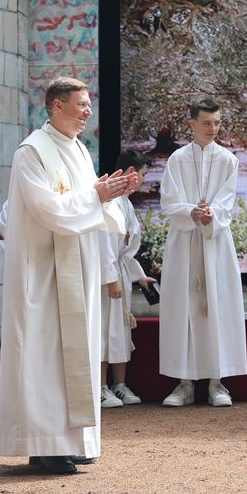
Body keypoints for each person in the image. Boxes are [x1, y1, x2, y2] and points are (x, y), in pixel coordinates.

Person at [0, 77, 140, 475]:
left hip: (75, 268)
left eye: (89, 104)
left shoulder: (77, 149)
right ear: (56, 106)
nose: (88, 111)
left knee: (74, 358)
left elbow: (89, 203)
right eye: (81, 104)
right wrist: (96, 195)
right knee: (44, 358)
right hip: (41, 274)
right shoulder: (32, 152)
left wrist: (110, 193)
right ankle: (42, 445)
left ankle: (72, 441)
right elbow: (47, 209)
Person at [157, 99, 247, 408]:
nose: (213, 129)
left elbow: (227, 201)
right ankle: (183, 384)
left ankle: (216, 383)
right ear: (192, 123)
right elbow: (168, 201)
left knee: (216, 308)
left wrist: (212, 215)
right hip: (185, 244)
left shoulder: (227, 160)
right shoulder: (177, 160)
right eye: (207, 123)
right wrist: (190, 212)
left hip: (215, 242)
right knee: (184, 308)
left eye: (217, 123)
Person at [99, 150, 158, 409]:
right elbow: (105, 244)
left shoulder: (126, 203)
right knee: (105, 328)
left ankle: (119, 384)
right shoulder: (109, 202)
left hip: (120, 270)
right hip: (106, 276)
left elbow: (125, 250)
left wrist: (139, 276)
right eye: (143, 174)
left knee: (121, 329)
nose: (144, 180)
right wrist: (111, 279)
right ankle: (100, 386)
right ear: (131, 173)